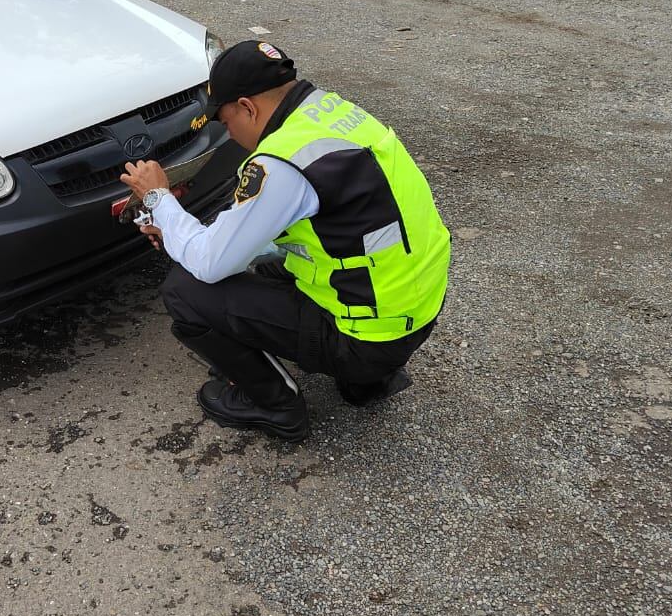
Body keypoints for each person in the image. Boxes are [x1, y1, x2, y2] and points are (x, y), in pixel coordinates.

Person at [120, 40, 450, 443]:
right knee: (267, 262)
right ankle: (370, 382)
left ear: (247, 107)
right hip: (413, 310)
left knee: (186, 291)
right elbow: (321, 227)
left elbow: (210, 262)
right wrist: (182, 228)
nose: (230, 133)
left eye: (226, 122)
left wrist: (159, 200)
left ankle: (275, 405)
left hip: (365, 341)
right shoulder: (337, 113)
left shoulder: (281, 162)